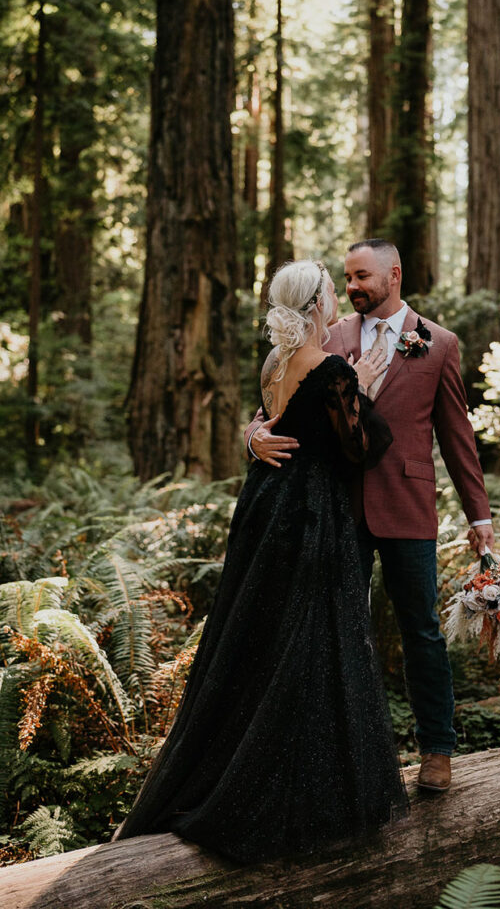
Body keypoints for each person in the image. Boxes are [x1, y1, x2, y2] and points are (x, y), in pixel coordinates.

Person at [114, 259, 409, 862]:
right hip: (308, 516)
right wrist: (364, 389)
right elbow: (358, 449)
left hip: (263, 508)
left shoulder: (276, 362)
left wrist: (256, 434)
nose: (337, 296)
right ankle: (291, 795)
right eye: (331, 289)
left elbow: (273, 421)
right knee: (311, 640)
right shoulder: (328, 368)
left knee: (262, 637)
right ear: (317, 305)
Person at [247, 240, 494, 794]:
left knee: (422, 632)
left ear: (394, 275)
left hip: (408, 507)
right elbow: (272, 411)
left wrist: (479, 516)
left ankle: (437, 750)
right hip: (336, 508)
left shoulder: (439, 344)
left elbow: (457, 438)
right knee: (337, 632)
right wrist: (253, 438)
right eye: (347, 278)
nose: (353, 286)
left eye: (362, 276)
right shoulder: (324, 337)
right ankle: (343, 756)